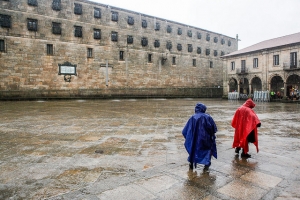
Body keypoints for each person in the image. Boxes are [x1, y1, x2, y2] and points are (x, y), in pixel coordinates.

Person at [182, 103, 217, 170]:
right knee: (206, 150)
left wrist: (189, 137)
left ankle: (191, 162)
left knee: (193, 149)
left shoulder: (192, 118)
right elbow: (213, 129)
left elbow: (185, 130)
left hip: (195, 139)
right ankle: (206, 164)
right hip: (205, 139)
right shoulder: (208, 117)